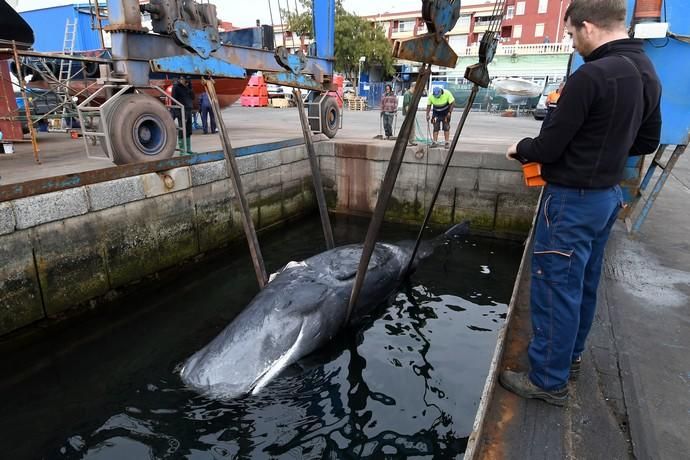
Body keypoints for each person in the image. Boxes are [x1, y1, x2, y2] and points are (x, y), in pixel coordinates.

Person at [501, 0, 661, 406]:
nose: (573, 43)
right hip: (606, 197)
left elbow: (549, 147)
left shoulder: (592, 75)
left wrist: (520, 148)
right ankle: (568, 358)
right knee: (582, 284)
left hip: (571, 200)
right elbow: (646, 142)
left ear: (588, 27)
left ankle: (548, 381)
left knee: (555, 289)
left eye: (571, 34)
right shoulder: (645, 70)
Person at [172, 75, 195, 154]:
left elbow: (193, 97)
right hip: (181, 111)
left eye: (188, 80)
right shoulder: (176, 87)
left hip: (189, 110)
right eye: (185, 80)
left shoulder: (188, 87)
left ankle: (188, 149)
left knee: (189, 130)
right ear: (181, 79)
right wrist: (176, 112)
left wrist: (189, 88)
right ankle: (182, 150)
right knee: (182, 130)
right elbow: (173, 100)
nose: (187, 81)